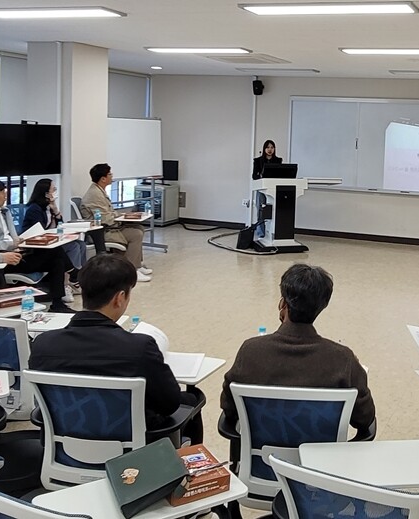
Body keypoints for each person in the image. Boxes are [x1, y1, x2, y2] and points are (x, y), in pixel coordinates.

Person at [28, 254, 203, 440]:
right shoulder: (139, 347)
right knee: (192, 398)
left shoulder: (42, 345)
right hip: (134, 452)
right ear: (120, 298)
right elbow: (169, 404)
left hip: (64, 447)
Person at [219, 263, 376, 435]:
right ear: (322, 307)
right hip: (320, 453)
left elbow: (229, 408)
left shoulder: (251, 351)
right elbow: (364, 418)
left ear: (283, 304)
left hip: (261, 452)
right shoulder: (342, 359)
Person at [0, 178, 74, 312]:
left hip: (17, 252)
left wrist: (19, 242)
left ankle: (57, 304)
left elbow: (13, 236)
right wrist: (10, 244)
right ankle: (74, 275)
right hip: (2, 260)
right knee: (55, 253)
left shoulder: (4, 211)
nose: (5, 196)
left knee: (57, 260)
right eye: (3, 193)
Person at [80, 163, 151, 282]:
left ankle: (137, 264)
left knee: (139, 227)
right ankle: (132, 271)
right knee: (136, 234)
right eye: (110, 174)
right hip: (101, 232)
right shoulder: (94, 194)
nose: (112, 176)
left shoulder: (99, 190)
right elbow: (104, 218)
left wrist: (123, 216)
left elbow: (109, 213)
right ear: (103, 179)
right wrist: (122, 218)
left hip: (108, 227)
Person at [22, 178, 85, 287]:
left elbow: (60, 225)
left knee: (81, 244)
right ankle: (72, 278)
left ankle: (79, 275)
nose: (55, 192)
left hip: (49, 241)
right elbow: (39, 231)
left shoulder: (49, 207)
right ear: (46, 194)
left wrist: (56, 211)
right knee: (73, 247)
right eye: (53, 190)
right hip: (35, 247)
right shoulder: (34, 209)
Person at [251, 140, 282, 238]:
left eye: (272, 147)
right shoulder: (258, 161)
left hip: (273, 188)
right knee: (261, 209)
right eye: (268, 147)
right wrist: (260, 176)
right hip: (262, 188)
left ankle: (273, 231)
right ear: (264, 149)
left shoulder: (278, 160)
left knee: (274, 209)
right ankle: (261, 232)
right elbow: (254, 176)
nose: (270, 149)